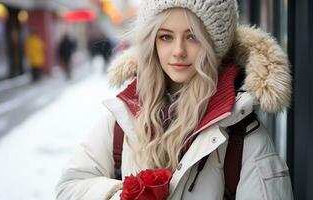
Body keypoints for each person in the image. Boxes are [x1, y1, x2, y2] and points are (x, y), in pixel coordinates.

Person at [56, 0, 294, 199]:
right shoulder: (123, 115)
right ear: (152, 42)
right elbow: (70, 185)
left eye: (192, 37)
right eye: (166, 37)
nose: (178, 51)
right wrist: (126, 194)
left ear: (214, 45)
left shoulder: (241, 131)